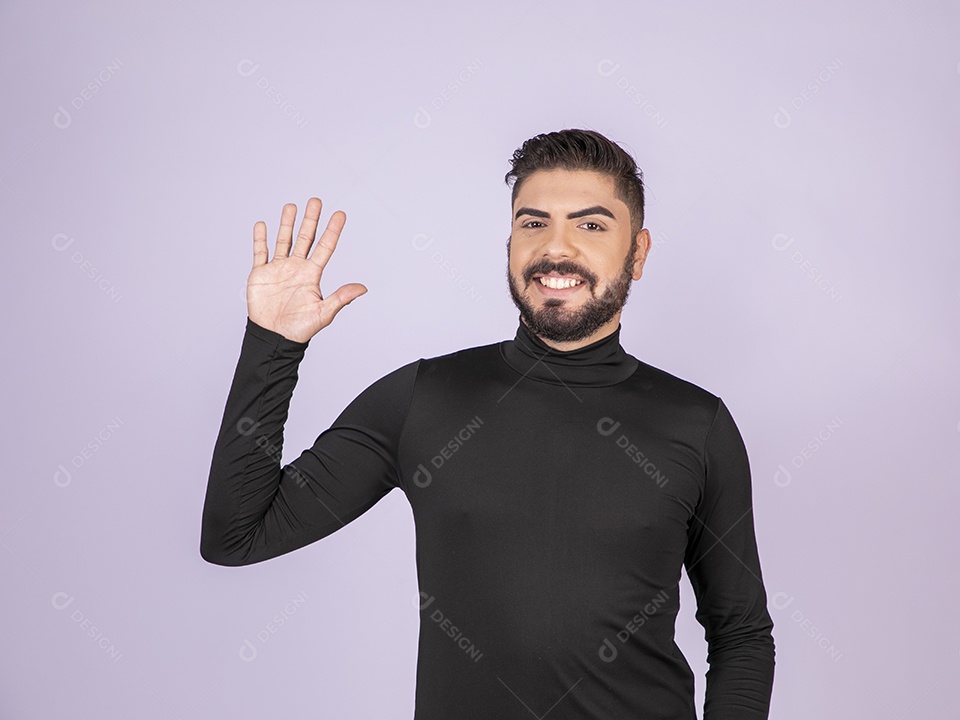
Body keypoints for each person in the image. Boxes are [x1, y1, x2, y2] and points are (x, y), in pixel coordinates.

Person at [201, 128, 775, 719]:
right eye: (533, 223)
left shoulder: (696, 423)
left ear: (639, 252)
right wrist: (272, 345)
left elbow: (741, 634)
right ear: (509, 243)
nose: (557, 248)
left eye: (591, 225)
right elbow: (237, 535)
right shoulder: (425, 399)